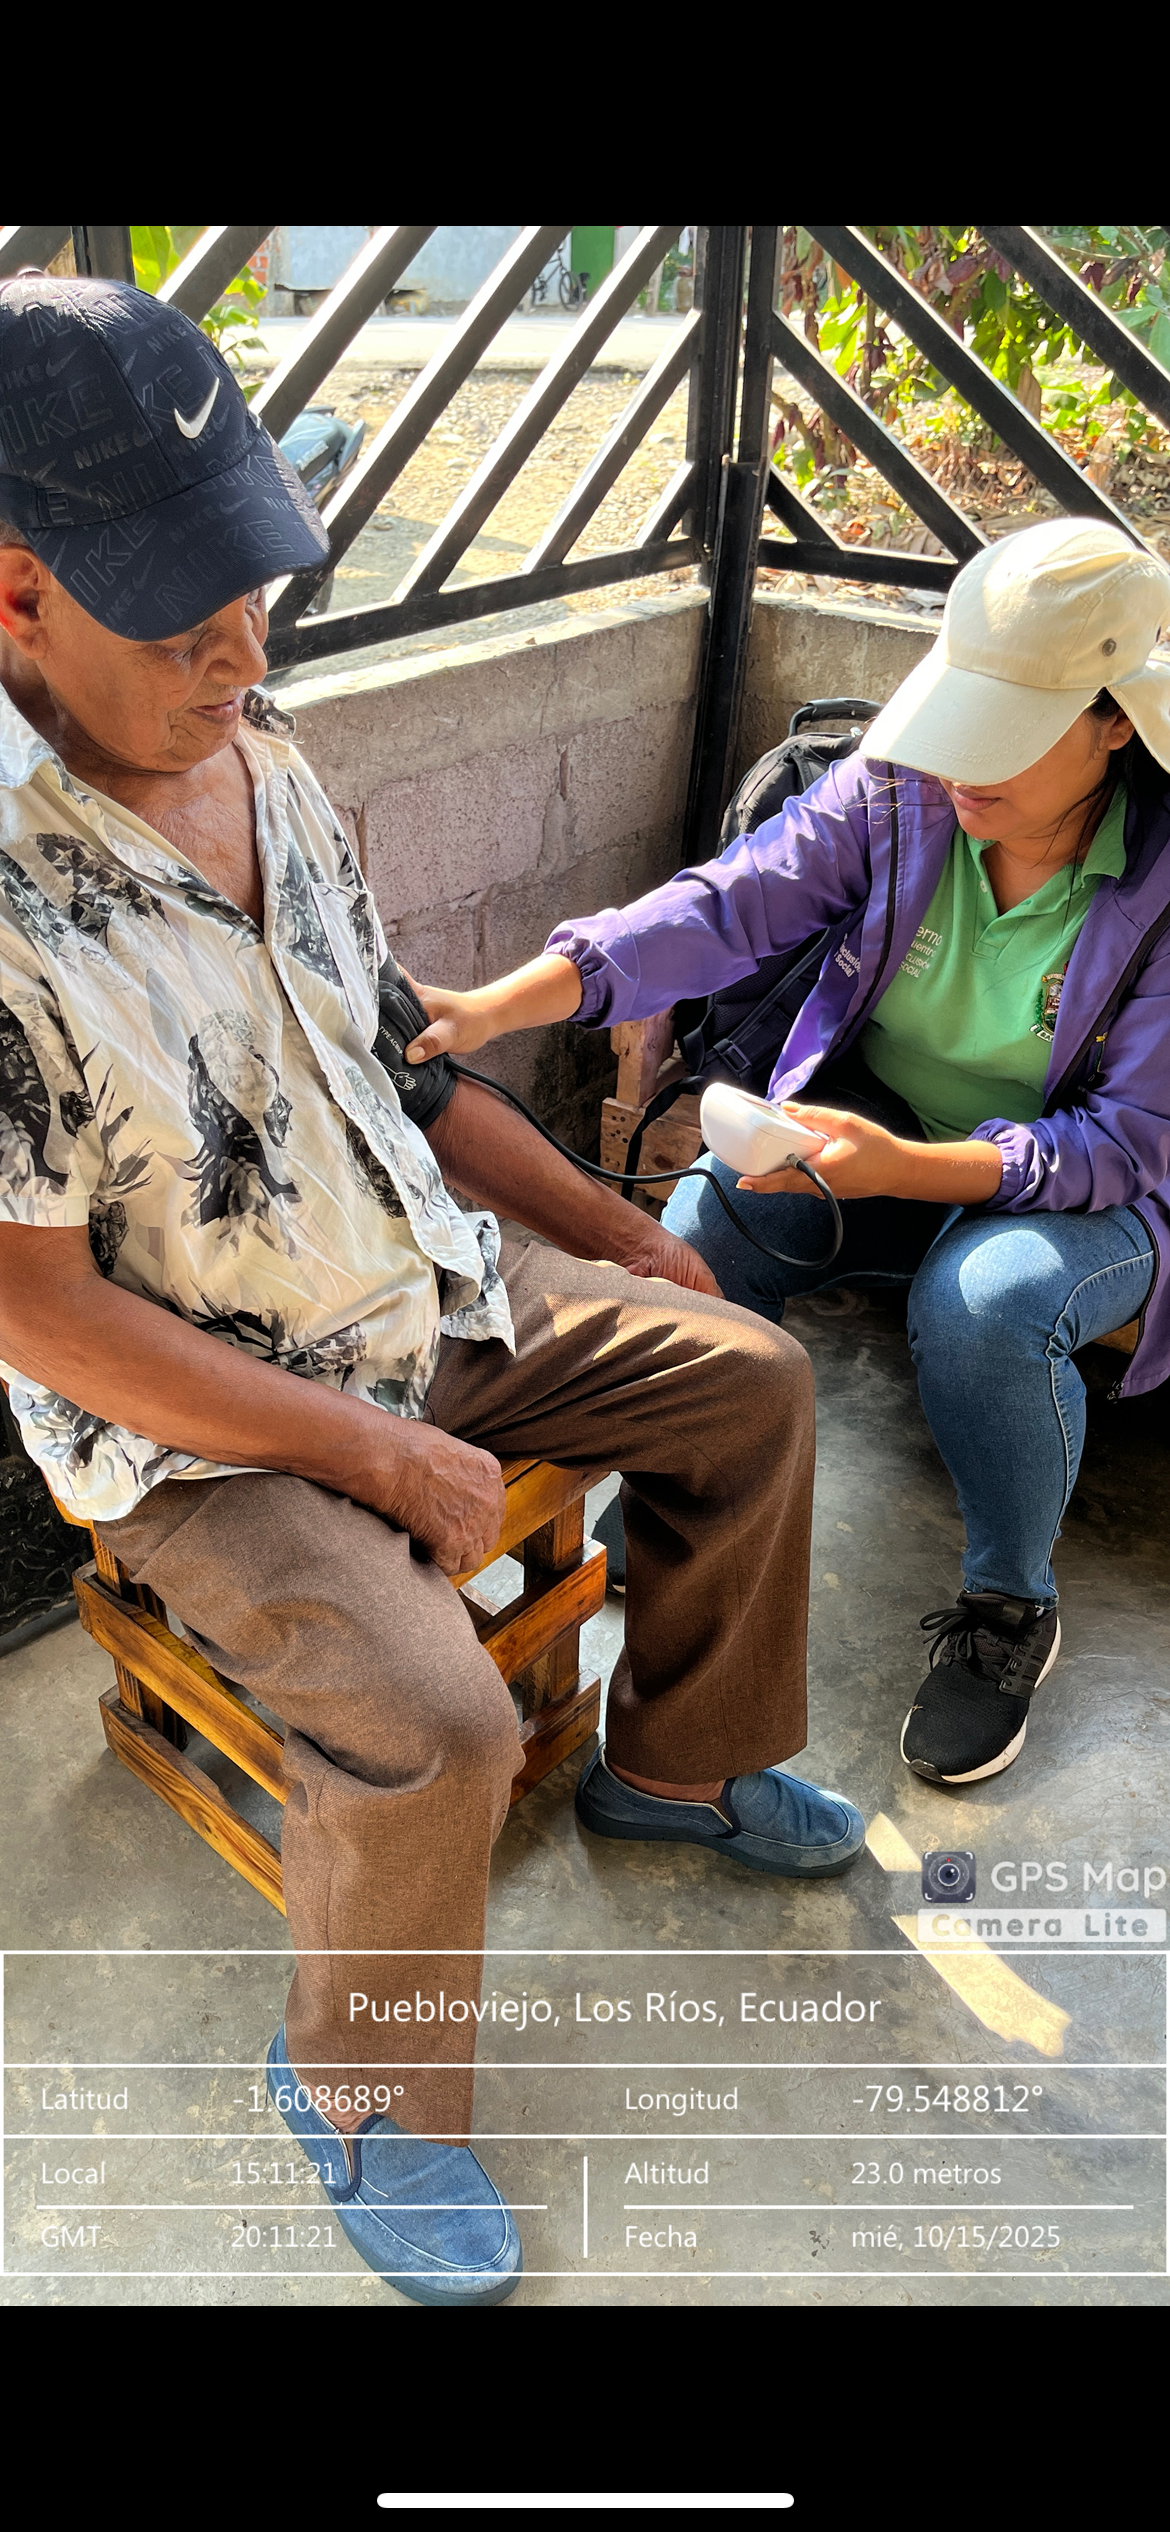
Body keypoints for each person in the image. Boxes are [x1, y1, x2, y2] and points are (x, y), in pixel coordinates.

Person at [0, 273, 866, 2309]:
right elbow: (39, 1317)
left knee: (748, 1378)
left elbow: (398, 1055)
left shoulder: (265, 750)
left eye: (256, 600)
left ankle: (675, 1762)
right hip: (202, 1427)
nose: (244, 658)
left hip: (425, 1286)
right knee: (434, 1717)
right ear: (17, 593)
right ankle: (364, 2093)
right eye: (185, 625)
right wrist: (374, 1455)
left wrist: (615, 1229)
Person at [405, 518, 1170, 1793]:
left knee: (984, 1306)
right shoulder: (905, 790)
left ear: (1115, 724)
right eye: (960, 714)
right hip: (879, 1124)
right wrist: (497, 1006)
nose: (962, 762)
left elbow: (1125, 1142)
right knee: (712, 1220)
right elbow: (727, 904)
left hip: (1090, 1188)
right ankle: (690, 1491)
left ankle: (1008, 1609)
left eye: (1009, 729)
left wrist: (904, 1170)